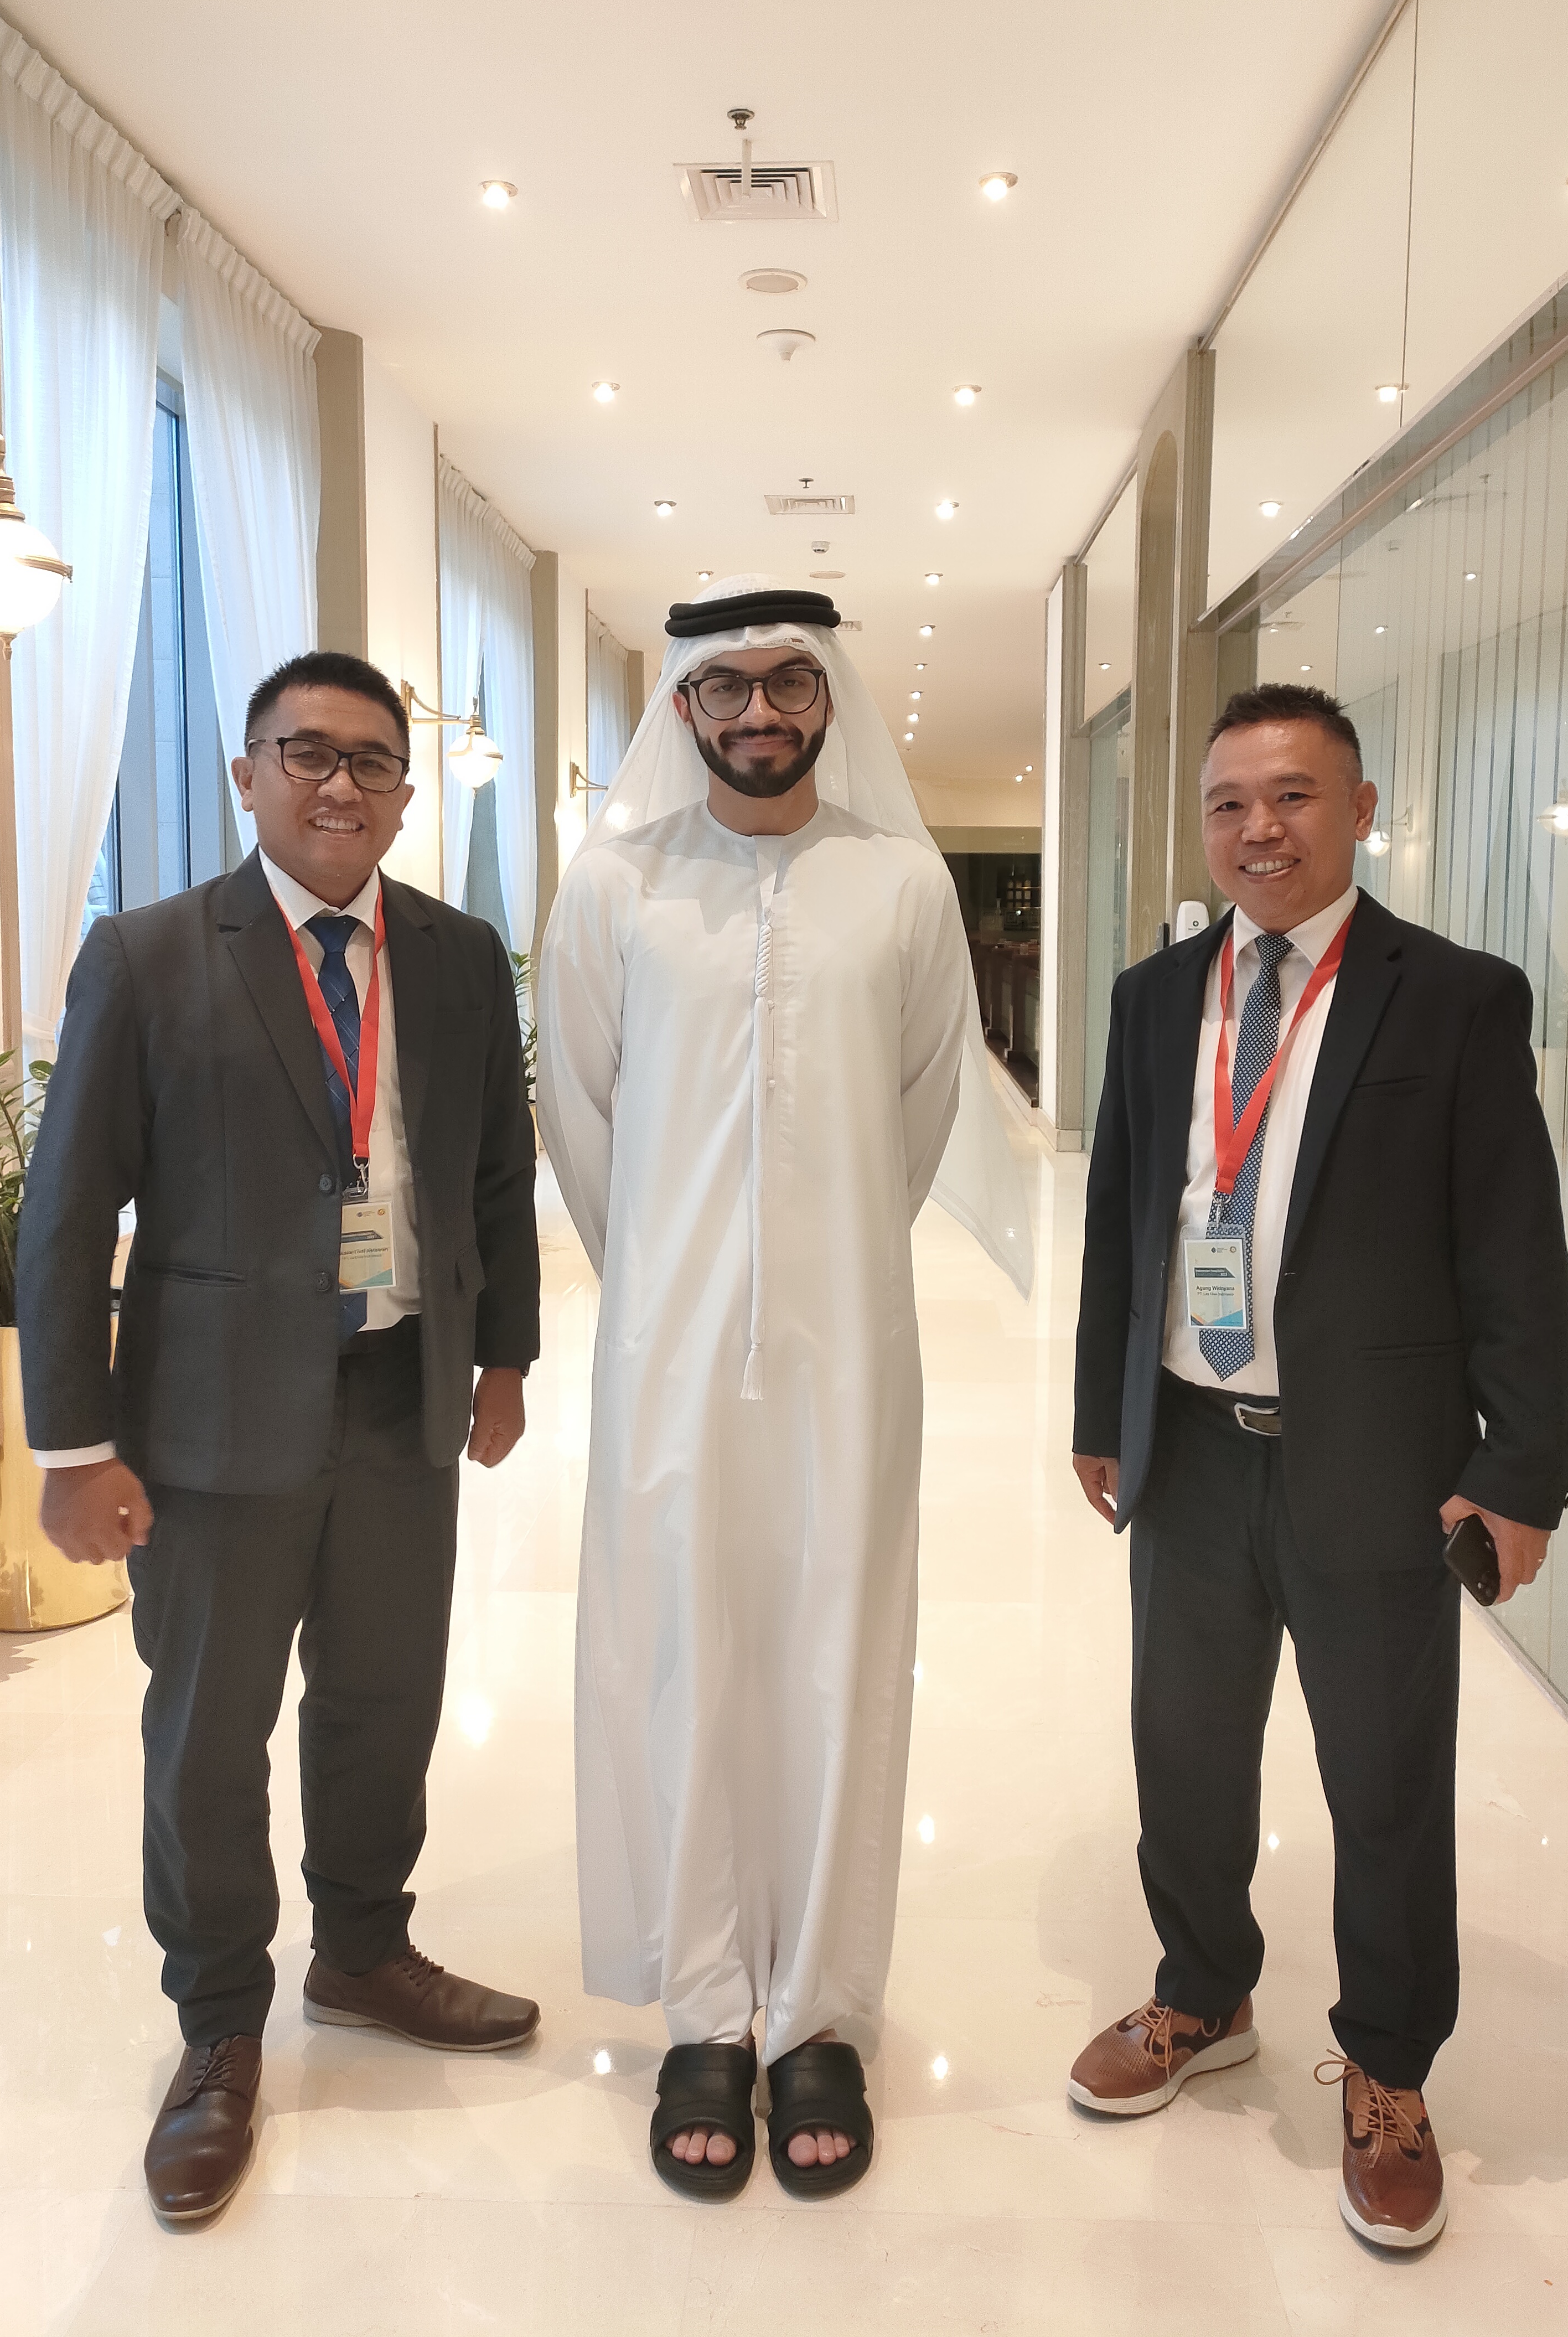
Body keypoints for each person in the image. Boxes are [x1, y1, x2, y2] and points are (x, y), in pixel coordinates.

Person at [17, 650, 542, 2228]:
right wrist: (71, 1445)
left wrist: (503, 1356)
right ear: (247, 773)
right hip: (209, 1426)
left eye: (371, 760)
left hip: (399, 1399)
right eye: (305, 753)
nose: (338, 784)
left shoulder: (456, 956)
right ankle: (219, 2024)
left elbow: (494, 1173)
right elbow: (66, 1212)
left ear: (404, 792)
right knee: (208, 1731)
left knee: (384, 1699)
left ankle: (365, 1950)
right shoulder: (150, 954)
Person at [537, 576, 1029, 2202]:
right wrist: (674, 1288)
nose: (759, 712)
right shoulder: (613, 885)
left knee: (839, 1657)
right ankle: (702, 2011)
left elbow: (920, 1106)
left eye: (789, 684)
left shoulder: (899, 884)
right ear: (682, 705)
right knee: (678, 1655)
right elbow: (582, 1118)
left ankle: (817, 2014)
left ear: (828, 699)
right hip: (666, 1357)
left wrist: (820, 1263)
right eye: (726, 686)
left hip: (847, 1351)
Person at [1067, 683, 1568, 2251]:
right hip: (1192, 1449)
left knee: (1384, 1775)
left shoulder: (1455, 997)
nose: (1259, 828)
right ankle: (1201, 1991)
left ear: (1359, 810)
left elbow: (1515, 1250)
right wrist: (1102, 1411)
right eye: (1229, 802)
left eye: (1293, 795)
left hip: (1377, 1465)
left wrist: (1521, 1470)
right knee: (1183, 1747)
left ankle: (1390, 2070)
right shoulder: (1156, 997)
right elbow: (1120, 1218)